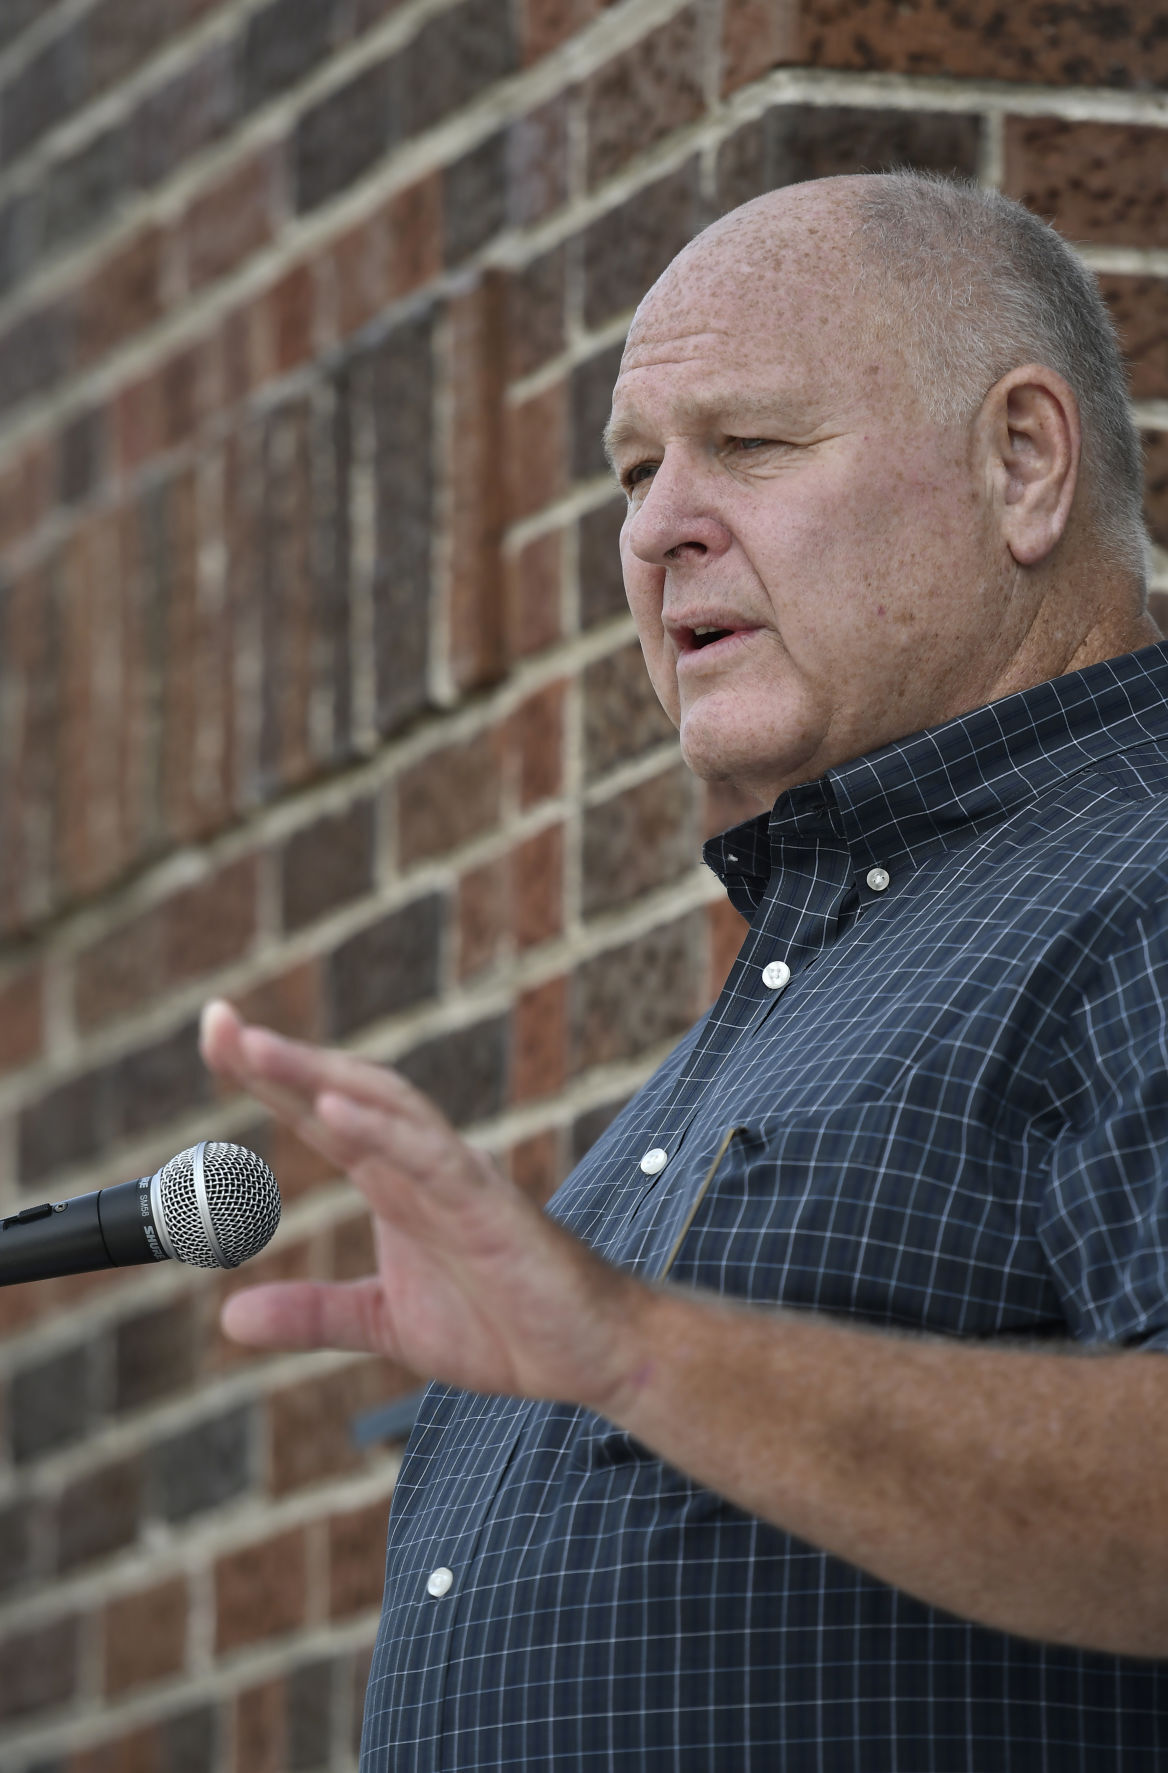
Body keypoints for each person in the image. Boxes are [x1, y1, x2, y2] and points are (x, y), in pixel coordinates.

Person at [201, 171, 1168, 1769]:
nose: (656, 528)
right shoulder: (821, 965)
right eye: (635, 473)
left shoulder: (1138, 864)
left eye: (753, 446)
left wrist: (636, 1343)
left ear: (1022, 461)